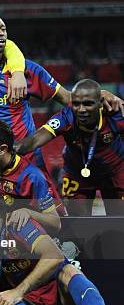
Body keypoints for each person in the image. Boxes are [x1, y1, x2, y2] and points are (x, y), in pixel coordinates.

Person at [0, 14, 123, 168]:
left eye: (3, 29)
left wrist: (99, 94)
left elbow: (68, 99)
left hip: (26, 157)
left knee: (46, 208)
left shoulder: (28, 70)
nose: (0, 33)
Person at [16, 79, 123, 215]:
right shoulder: (66, 117)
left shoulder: (116, 114)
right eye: (76, 104)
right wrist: (9, 149)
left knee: (118, 223)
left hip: (114, 172)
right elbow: (35, 140)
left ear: (100, 103)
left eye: (88, 104)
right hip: (77, 174)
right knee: (78, 225)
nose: (81, 110)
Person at [0, 119, 61, 234]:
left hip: (30, 238)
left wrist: (28, 213)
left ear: (2, 150)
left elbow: (55, 223)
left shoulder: (32, 177)